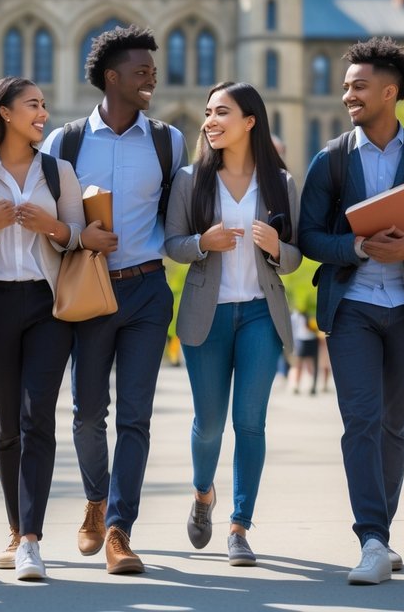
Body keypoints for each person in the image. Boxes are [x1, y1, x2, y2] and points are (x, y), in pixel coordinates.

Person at [297, 37, 404, 585]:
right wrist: (360, 248)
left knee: (395, 427)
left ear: (389, 93)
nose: (347, 94)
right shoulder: (331, 159)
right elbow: (310, 237)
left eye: (358, 86)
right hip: (353, 309)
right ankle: (370, 538)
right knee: (361, 422)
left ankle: (380, 533)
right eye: (346, 86)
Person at [41, 25, 186, 575]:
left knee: (136, 416)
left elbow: (174, 216)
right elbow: (51, 223)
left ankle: (121, 530)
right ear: (111, 77)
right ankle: (96, 500)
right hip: (90, 288)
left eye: (152, 69)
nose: (152, 76)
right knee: (86, 413)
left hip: (148, 289)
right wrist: (79, 238)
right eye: (142, 70)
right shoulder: (66, 143)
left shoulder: (168, 141)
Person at [164, 82, 301, 567]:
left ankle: (240, 527)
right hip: (209, 316)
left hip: (261, 316)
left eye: (222, 111)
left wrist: (275, 248)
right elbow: (173, 244)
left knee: (250, 423)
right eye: (207, 112)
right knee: (209, 426)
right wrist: (204, 242)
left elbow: (295, 258)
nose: (210, 120)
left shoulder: (280, 183)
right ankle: (204, 494)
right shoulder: (190, 180)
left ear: (250, 121)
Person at [0, 77, 85, 581]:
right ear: (5, 113)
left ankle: (31, 538)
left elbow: (78, 236)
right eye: (33, 105)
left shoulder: (59, 172)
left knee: (38, 419)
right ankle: (15, 529)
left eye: (45, 106)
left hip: (48, 305)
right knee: (7, 424)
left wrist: (52, 228)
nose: (43, 114)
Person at [288, 309, 319, 395]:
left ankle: (311, 385)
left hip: (312, 339)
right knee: (298, 365)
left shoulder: (312, 312)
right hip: (300, 340)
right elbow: (293, 328)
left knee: (310, 364)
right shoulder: (297, 314)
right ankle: (296, 385)